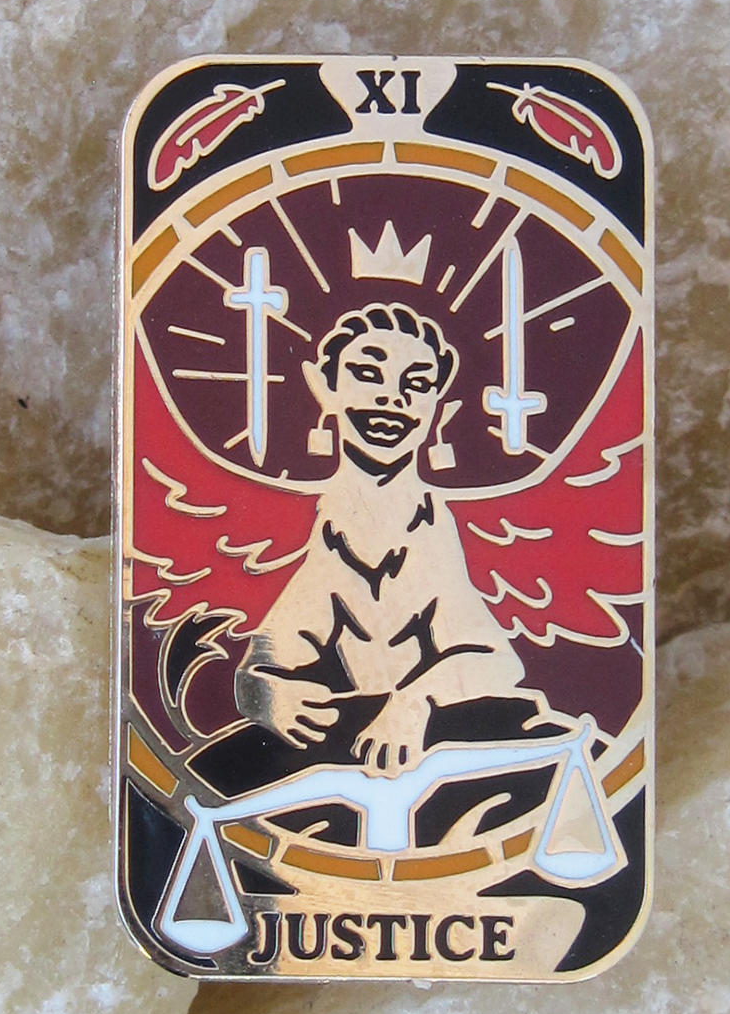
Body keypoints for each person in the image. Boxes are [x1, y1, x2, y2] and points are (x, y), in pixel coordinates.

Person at [188, 301, 564, 802]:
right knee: (212, 774)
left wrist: (414, 702)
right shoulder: (331, 532)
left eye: (418, 384)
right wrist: (267, 696)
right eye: (367, 374)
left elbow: (497, 661)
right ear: (323, 387)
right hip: (360, 751)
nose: (392, 398)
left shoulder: (432, 527)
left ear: (440, 409)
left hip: (446, 742)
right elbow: (263, 664)